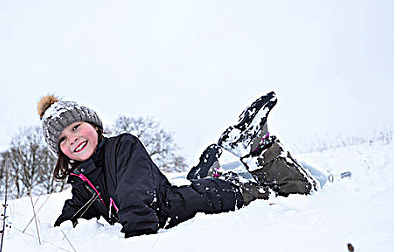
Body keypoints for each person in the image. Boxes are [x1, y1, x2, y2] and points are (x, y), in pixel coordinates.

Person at [38, 91, 319, 238]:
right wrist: (64, 228)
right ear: (61, 152)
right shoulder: (83, 180)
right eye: (63, 138)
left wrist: (138, 238)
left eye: (76, 127)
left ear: (94, 126)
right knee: (199, 184)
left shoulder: (123, 146)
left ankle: (258, 145)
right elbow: (73, 215)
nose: (73, 139)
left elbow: (135, 195)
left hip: (205, 201)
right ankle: (206, 174)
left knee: (291, 191)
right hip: (188, 195)